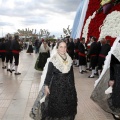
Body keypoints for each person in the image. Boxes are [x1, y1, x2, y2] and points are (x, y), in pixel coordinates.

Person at [30, 40, 77, 120]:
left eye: (65, 47)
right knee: (57, 106)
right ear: (57, 48)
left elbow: (71, 74)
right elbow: (48, 74)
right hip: (56, 87)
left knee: (67, 105)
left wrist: (73, 87)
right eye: (61, 47)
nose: (63, 49)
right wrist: (46, 86)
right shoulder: (53, 60)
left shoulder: (69, 59)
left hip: (67, 87)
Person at [91, 36, 120, 120]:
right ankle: (116, 111)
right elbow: (113, 65)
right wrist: (111, 79)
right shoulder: (117, 49)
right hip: (117, 74)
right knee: (117, 93)